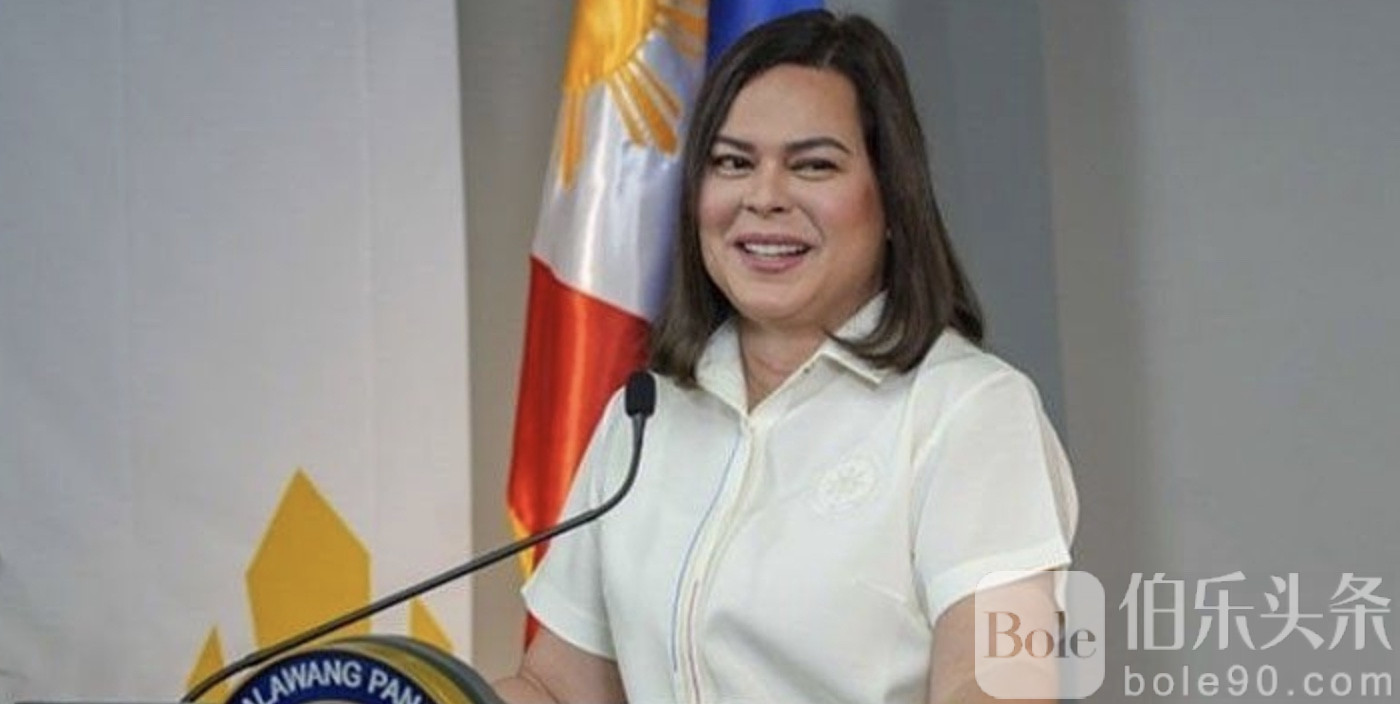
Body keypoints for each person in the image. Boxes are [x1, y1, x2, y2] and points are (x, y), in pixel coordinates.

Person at [494, 10, 1077, 704]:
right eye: (733, 163)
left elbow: (1001, 688)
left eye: (813, 165)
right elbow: (557, 688)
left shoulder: (973, 412)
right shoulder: (644, 415)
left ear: (893, 200)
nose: (764, 197)